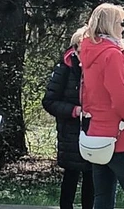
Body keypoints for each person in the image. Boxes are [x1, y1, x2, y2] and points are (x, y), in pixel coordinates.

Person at [77, 3, 124, 209]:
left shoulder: (89, 53)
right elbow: (119, 99)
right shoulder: (113, 55)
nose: (123, 28)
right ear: (110, 25)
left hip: (97, 135)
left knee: (102, 198)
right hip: (120, 135)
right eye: (120, 23)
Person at [42, 32, 95, 209]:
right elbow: (49, 102)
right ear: (74, 49)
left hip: (94, 130)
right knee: (71, 175)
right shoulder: (64, 68)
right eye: (82, 49)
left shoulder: (98, 66)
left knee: (92, 176)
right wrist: (74, 111)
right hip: (70, 131)